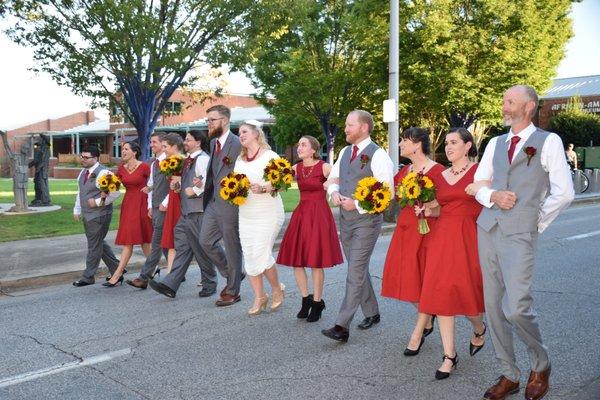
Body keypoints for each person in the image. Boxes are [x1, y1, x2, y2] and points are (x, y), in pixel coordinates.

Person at [467, 85, 574, 400]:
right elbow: (477, 184)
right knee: (492, 307)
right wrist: (493, 196)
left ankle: (540, 364)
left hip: (520, 232)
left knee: (516, 308)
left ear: (528, 107)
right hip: (487, 228)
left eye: (509, 101)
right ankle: (510, 373)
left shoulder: (548, 141)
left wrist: (537, 221)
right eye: (504, 100)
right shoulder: (495, 143)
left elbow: (564, 192)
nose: (504, 105)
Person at [417, 128, 486, 380]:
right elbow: (439, 210)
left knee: (468, 299)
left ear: (468, 145)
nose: (448, 147)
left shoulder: (480, 172)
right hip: (442, 239)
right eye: (446, 143)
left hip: (469, 239)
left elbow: (489, 202)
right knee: (442, 296)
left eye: (454, 142)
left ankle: (479, 328)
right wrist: (425, 210)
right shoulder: (440, 175)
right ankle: (449, 356)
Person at [321, 110, 394, 342]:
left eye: (349, 125)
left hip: (367, 222)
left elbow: (387, 192)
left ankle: (342, 325)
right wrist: (333, 192)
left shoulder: (379, 155)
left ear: (364, 127)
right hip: (346, 221)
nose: (345, 129)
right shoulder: (344, 152)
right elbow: (333, 179)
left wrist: (359, 205)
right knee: (357, 268)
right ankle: (372, 312)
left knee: (354, 272)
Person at [380, 127, 443, 353]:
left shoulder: (437, 171)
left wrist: (428, 205)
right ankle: (428, 315)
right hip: (405, 228)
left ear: (417, 144)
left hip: (427, 231)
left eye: (404, 141)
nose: (400, 145)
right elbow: (395, 196)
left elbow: (445, 202)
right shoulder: (404, 171)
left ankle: (418, 332)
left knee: (425, 281)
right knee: (405, 277)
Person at [277, 135, 343, 322]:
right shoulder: (295, 168)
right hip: (301, 214)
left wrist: (331, 183)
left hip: (319, 215)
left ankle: (317, 302)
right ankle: (305, 299)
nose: (299, 147)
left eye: (303, 144)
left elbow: (339, 178)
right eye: (298, 145)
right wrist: (262, 187)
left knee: (315, 261)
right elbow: (278, 185)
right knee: (297, 260)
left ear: (313, 149)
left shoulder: (324, 166)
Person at [148, 130, 217, 298]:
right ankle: (170, 284)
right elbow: (185, 183)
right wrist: (178, 186)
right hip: (186, 212)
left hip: (198, 211)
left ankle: (211, 281)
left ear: (198, 142)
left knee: (200, 249)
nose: (184, 142)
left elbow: (207, 183)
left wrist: (192, 190)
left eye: (188, 140)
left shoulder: (203, 160)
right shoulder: (188, 160)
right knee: (183, 248)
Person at [234, 120, 286, 315]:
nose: (241, 135)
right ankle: (260, 297)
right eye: (239, 133)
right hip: (246, 213)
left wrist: (264, 188)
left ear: (256, 134)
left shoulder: (270, 156)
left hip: (268, 212)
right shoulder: (240, 160)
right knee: (249, 255)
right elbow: (236, 183)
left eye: (245, 131)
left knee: (262, 255)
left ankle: (276, 289)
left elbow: (282, 182)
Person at [199, 105, 244, 307]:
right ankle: (232, 273)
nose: (208, 124)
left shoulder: (237, 143)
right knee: (205, 240)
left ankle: (233, 290)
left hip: (230, 202)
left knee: (232, 245)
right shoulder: (213, 143)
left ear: (225, 121)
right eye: (207, 120)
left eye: (212, 120)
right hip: (213, 201)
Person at [103, 141, 152, 287]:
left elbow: (155, 183)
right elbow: (113, 186)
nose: (123, 151)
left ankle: (151, 270)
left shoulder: (144, 167)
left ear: (134, 152)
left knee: (144, 241)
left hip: (143, 204)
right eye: (122, 149)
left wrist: (153, 204)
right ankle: (118, 274)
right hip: (129, 205)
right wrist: (104, 189)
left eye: (126, 149)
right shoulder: (121, 169)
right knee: (128, 240)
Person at [72, 146, 121, 286]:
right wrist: (77, 209)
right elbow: (80, 192)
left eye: (86, 157)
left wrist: (98, 202)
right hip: (87, 214)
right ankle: (117, 270)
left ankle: (88, 277)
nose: (83, 159)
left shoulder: (104, 172)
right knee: (98, 242)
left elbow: (115, 192)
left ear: (96, 158)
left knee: (94, 245)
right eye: (82, 156)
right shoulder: (83, 173)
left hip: (100, 214)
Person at [126, 132, 169, 289]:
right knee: (165, 244)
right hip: (156, 208)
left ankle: (144, 277)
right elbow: (151, 185)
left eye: (154, 142)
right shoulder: (153, 163)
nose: (151, 145)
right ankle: (178, 273)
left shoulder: (171, 162)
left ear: (164, 143)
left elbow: (173, 186)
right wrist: (150, 206)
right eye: (150, 142)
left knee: (156, 243)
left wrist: (164, 203)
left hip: (166, 208)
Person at [159, 133, 185, 274]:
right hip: (173, 200)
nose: (163, 149)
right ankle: (170, 275)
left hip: (183, 203)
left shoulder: (185, 162)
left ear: (175, 146)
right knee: (171, 241)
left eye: (165, 146)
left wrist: (178, 182)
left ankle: (206, 275)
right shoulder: (168, 162)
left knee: (187, 242)